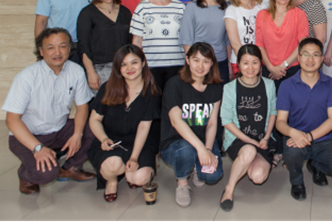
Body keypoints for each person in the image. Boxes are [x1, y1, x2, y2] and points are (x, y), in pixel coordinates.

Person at [3, 28, 96, 195]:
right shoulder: (27, 77)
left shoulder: (76, 71)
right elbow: (12, 120)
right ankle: (25, 175)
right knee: (46, 174)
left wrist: (77, 134)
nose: (57, 52)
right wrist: (37, 147)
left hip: (59, 129)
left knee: (96, 127)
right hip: (29, 135)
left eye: (62, 46)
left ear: (69, 48)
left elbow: (82, 106)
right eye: (51, 47)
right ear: (41, 51)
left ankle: (69, 168)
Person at [276, 38, 332, 201]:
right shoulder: (286, 85)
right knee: (292, 153)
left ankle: (316, 165)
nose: (310, 59)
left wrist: (309, 137)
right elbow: (280, 122)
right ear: (298, 58)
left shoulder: (331, 84)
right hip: (296, 137)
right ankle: (297, 182)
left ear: (321, 58)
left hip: (323, 139)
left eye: (315, 55)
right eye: (305, 54)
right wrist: (294, 133)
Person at [87, 45, 161, 202]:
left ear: (143, 63)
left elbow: (144, 126)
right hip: (113, 140)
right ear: (118, 68)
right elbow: (94, 119)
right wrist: (103, 138)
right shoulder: (108, 88)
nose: (129, 68)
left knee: (140, 178)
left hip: (141, 142)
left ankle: (131, 172)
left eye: (134, 62)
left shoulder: (152, 91)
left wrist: (134, 157)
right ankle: (112, 181)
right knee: (112, 166)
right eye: (124, 64)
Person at [160, 43, 224, 207]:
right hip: (176, 143)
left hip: (202, 141)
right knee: (187, 149)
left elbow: (212, 123)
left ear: (211, 64)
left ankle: (197, 166)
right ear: (187, 60)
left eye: (205, 61)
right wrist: (201, 149)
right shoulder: (175, 84)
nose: (200, 66)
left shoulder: (215, 87)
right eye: (196, 60)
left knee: (212, 176)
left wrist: (207, 149)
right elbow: (176, 121)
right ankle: (182, 182)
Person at [219, 44, 277, 211]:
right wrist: (249, 141)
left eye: (254, 62)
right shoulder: (230, 88)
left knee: (257, 177)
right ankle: (229, 189)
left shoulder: (269, 85)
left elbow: (273, 113)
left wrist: (266, 137)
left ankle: (248, 162)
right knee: (249, 151)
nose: (250, 68)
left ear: (261, 64)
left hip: (262, 139)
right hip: (238, 139)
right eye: (245, 63)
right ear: (238, 64)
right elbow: (226, 121)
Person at [130, 0, 185, 91]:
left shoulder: (180, 7)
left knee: (174, 101)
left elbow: (186, 39)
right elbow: (137, 42)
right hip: (151, 66)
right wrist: (137, 64)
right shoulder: (142, 7)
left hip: (177, 65)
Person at [77, 0, 132, 95]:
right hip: (100, 70)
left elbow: (130, 44)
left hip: (124, 68)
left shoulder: (125, 12)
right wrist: (91, 72)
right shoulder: (87, 13)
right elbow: (83, 47)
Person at [180, 0, 230, 85]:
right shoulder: (192, 7)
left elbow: (228, 40)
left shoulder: (226, 9)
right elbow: (187, 39)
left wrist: (229, 63)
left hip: (220, 62)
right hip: (199, 63)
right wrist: (191, 64)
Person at [256, 0, 308, 85]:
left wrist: (283, 65)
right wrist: (270, 67)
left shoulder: (299, 14)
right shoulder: (261, 15)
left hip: (292, 70)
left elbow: (302, 44)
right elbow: (259, 44)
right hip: (268, 71)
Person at [224, 0, 266, 78]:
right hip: (240, 63)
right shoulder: (231, 10)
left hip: (261, 62)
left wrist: (258, 62)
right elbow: (235, 44)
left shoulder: (262, 8)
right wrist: (249, 63)